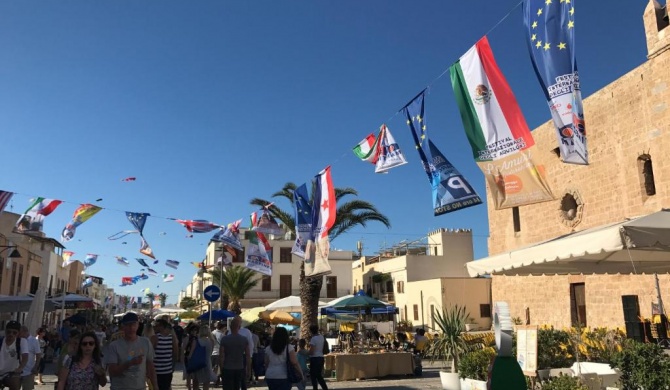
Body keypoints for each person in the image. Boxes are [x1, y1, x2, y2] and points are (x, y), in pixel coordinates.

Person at [105, 312, 158, 390]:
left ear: (138, 325)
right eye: (128, 325)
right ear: (123, 326)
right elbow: (112, 371)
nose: (131, 328)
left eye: (134, 324)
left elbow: (150, 367)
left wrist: (155, 386)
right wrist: (130, 363)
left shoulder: (145, 342)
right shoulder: (114, 346)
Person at [219, 317, 249, 390]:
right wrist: (249, 369)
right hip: (240, 367)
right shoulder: (244, 339)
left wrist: (221, 368)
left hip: (227, 367)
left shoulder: (224, 339)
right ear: (239, 327)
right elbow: (248, 355)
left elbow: (221, 356)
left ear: (230, 327)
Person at [0, 321, 29, 390]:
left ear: (18, 333)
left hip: (12, 373)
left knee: (15, 383)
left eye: (14, 333)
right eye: (8, 332)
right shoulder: (1, 341)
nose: (11, 334)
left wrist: (20, 368)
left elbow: (25, 356)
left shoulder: (21, 342)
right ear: (5, 332)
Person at [150, 319, 177, 390]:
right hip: (168, 370)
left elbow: (149, 355)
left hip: (156, 371)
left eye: (156, 326)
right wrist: (172, 367)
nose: (154, 327)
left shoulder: (155, 338)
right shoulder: (172, 338)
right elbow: (175, 354)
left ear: (161, 326)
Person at [188, 325, 213, 390]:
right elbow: (210, 352)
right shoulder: (211, 341)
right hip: (207, 363)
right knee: (206, 384)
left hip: (198, 363)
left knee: (195, 383)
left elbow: (191, 354)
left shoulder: (196, 341)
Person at [18, 326, 41, 390]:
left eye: (20, 333)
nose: (18, 335)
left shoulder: (34, 341)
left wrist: (36, 367)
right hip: (18, 370)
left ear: (25, 332)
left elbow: (38, 355)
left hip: (29, 371)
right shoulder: (18, 340)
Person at [308, 325, 328, 390]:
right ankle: (324, 387)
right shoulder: (321, 337)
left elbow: (312, 351)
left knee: (314, 376)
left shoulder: (313, 339)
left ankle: (316, 388)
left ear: (311, 331)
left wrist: (307, 352)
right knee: (318, 375)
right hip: (321, 357)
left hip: (314, 358)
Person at [211, 322, 225, 386]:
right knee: (219, 367)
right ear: (222, 328)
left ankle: (215, 380)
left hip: (212, 352)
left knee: (214, 367)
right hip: (219, 353)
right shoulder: (222, 335)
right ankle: (217, 380)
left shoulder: (212, 333)